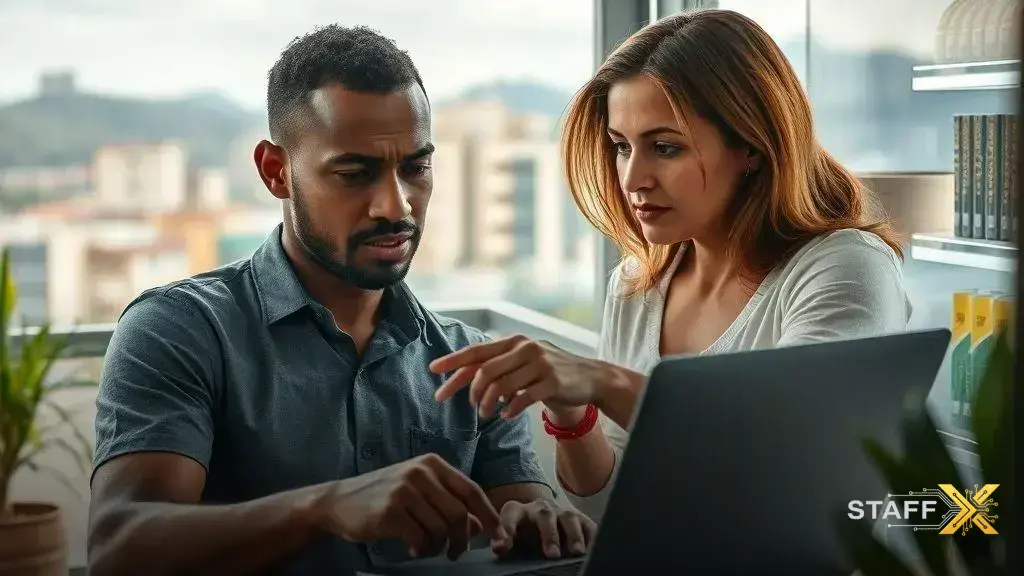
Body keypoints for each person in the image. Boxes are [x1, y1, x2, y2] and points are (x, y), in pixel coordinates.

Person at [87, 24, 595, 575]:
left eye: (416, 168)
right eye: (355, 174)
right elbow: (120, 548)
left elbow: (520, 509)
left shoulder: (471, 362)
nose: (395, 206)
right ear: (275, 171)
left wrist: (541, 524)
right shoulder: (179, 329)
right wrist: (327, 506)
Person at [430, 9, 912, 522]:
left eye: (665, 147)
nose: (633, 177)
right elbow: (611, 502)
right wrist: (569, 412)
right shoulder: (636, 284)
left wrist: (604, 382)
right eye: (621, 147)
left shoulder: (844, 268)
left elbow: (789, 455)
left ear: (750, 145)